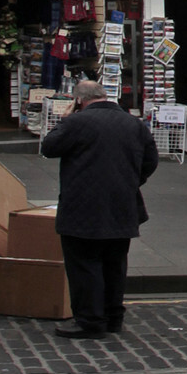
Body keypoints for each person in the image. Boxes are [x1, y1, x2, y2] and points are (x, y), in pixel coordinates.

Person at [40, 76, 158, 338]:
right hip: (122, 204)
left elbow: (49, 147)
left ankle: (90, 320)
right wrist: (131, 182)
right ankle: (113, 317)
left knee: (84, 263)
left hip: (83, 206)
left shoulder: (76, 122)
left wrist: (65, 119)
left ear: (79, 100)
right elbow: (150, 160)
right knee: (115, 263)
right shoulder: (133, 124)